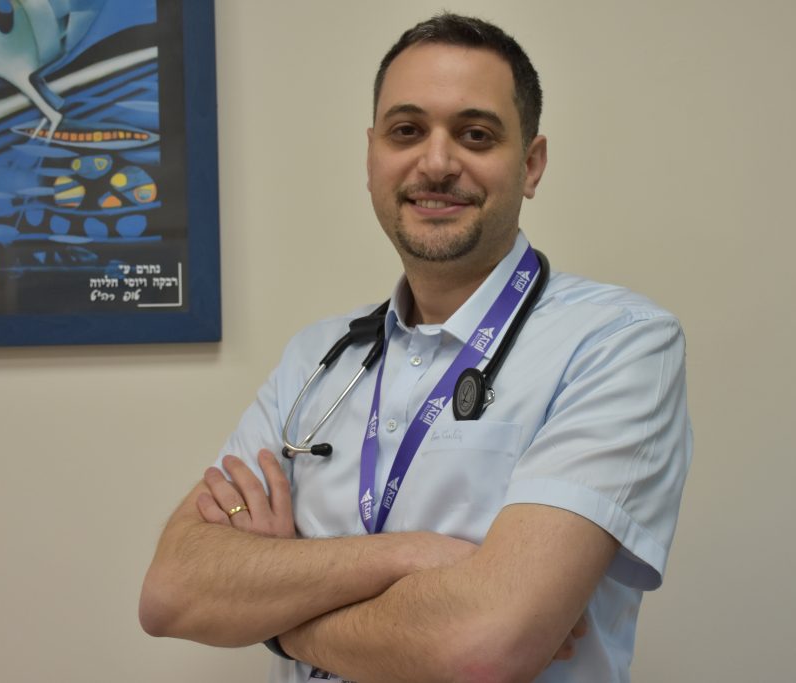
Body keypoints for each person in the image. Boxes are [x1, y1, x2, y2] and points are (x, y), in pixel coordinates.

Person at [140, 12, 691, 683]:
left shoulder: (616, 345)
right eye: (406, 131)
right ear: (372, 156)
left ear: (531, 164)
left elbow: (483, 645)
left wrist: (273, 616)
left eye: (475, 134)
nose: (436, 162)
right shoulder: (316, 357)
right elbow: (172, 592)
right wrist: (415, 555)